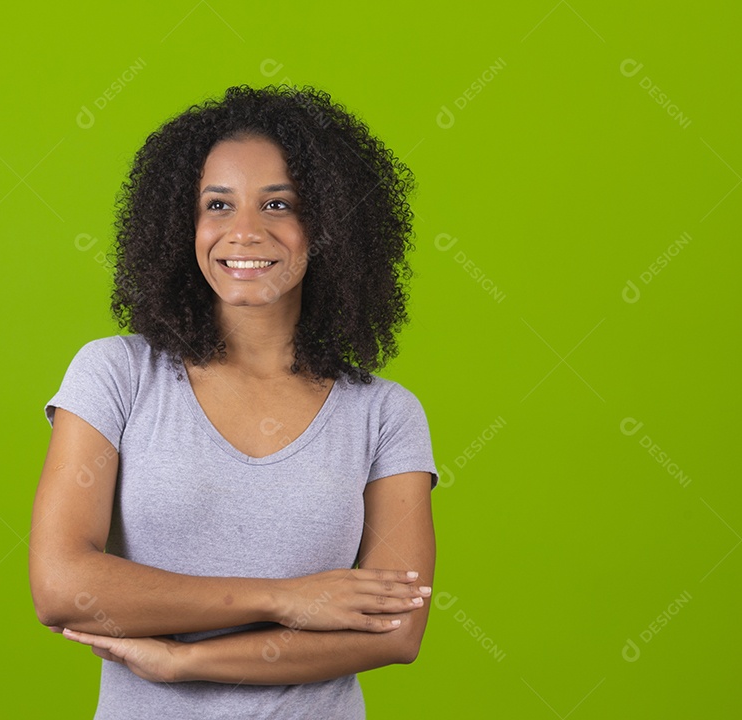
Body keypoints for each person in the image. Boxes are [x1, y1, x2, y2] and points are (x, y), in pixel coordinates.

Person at [29, 84, 439, 719]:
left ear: (328, 225)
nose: (244, 232)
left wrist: (187, 661)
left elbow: (394, 630)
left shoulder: (385, 414)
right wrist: (285, 598)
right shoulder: (117, 374)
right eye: (217, 204)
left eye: (278, 204)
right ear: (181, 225)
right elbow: (61, 586)